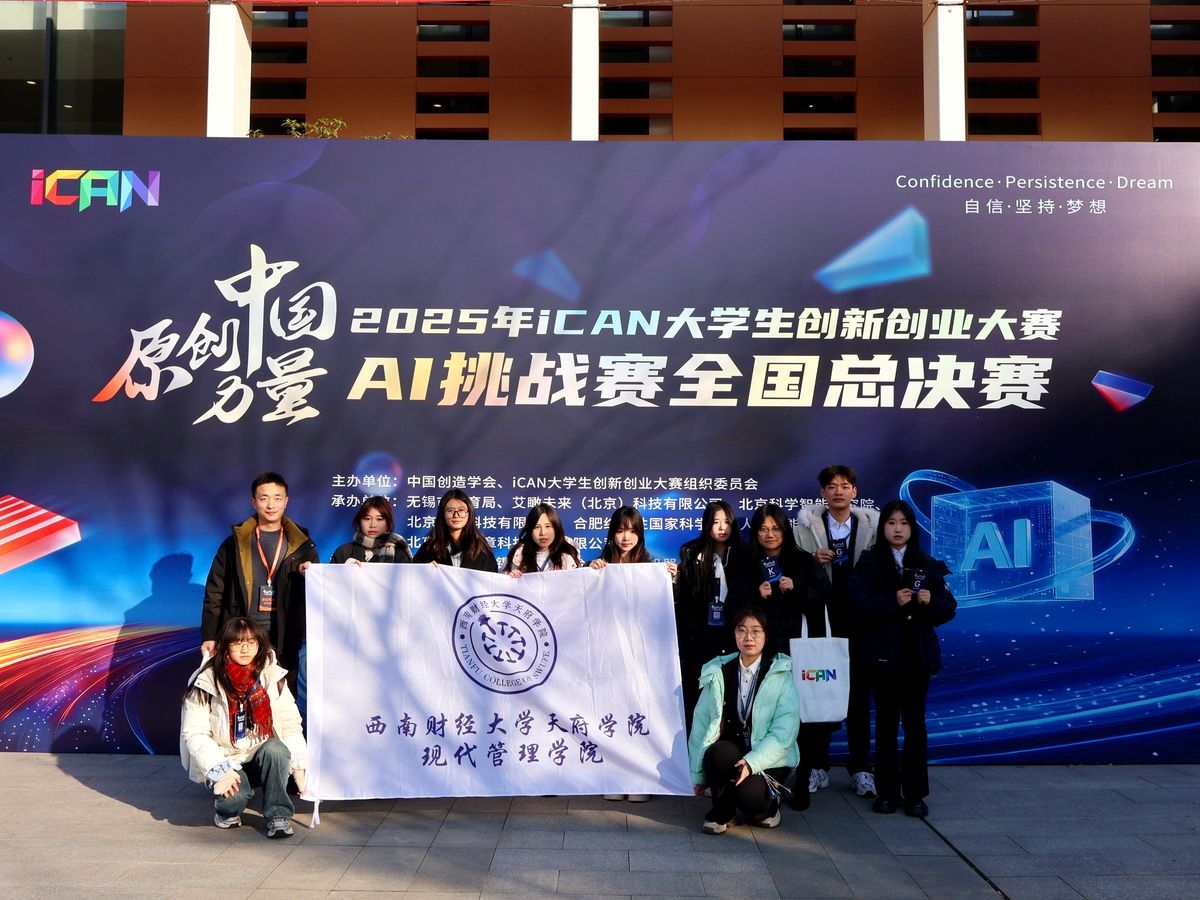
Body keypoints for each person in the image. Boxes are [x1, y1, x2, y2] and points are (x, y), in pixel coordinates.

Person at [849, 499, 956, 818]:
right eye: (892, 522)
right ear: (883, 527)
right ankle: (887, 792)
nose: (898, 529)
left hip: (916, 658)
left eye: (904, 523)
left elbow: (948, 609)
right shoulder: (870, 562)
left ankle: (915, 794)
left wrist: (930, 601)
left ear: (912, 528)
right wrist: (890, 600)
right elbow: (856, 604)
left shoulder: (927, 563)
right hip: (883, 657)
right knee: (885, 725)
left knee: (915, 726)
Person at [793, 465, 879, 799]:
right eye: (831, 486)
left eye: (845, 486)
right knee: (820, 690)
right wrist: (812, 561)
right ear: (822, 493)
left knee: (858, 694)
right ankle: (817, 766)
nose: (838, 491)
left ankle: (860, 768)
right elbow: (792, 567)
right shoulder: (804, 529)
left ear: (854, 491)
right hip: (822, 620)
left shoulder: (871, 527)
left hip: (861, 622)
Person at [181, 617, 308, 839]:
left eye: (251, 642)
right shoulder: (205, 681)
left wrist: (300, 768)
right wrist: (220, 769)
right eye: (237, 643)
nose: (245, 648)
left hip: (260, 754)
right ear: (225, 646)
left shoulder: (272, 675)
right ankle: (227, 810)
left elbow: (290, 725)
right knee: (233, 801)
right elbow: (195, 734)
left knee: (276, 749)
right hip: (227, 759)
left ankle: (278, 814)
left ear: (260, 644)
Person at [743, 502, 832, 811]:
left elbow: (825, 597)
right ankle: (768, 780)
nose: (769, 534)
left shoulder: (803, 561)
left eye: (775, 528)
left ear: (785, 530)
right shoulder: (747, 563)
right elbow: (735, 607)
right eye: (763, 529)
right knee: (764, 719)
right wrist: (756, 595)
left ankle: (804, 778)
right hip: (762, 655)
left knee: (802, 719)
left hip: (799, 652)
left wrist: (797, 589)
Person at [589, 506, 677, 803]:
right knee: (611, 712)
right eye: (620, 530)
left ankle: (640, 778)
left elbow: (664, 610)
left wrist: (670, 580)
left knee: (640, 711)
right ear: (611, 533)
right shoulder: (598, 565)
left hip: (642, 655)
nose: (625, 537)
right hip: (608, 654)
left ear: (640, 534)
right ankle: (614, 776)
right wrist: (590, 573)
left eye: (632, 531)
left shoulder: (650, 567)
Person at [200, 472, 318, 689]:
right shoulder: (234, 544)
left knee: (283, 698)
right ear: (253, 502)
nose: (271, 505)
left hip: (285, 636)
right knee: (238, 697)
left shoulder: (303, 547)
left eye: (277, 498)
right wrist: (209, 635)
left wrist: (309, 577)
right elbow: (215, 591)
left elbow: (317, 595)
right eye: (264, 498)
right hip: (241, 636)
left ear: (286, 501)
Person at [688, 607, 800, 834]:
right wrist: (697, 775)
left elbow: (784, 734)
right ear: (734, 634)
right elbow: (701, 724)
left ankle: (769, 809)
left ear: (766, 635)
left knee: (750, 798)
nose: (749, 637)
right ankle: (723, 812)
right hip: (733, 751)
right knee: (717, 753)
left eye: (756, 631)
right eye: (742, 630)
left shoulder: (780, 674)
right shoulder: (719, 671)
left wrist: (750, 764)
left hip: (767, 760)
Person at [674, 500, 750, 730]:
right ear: (707, 524)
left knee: (733, 693)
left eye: (727, 522)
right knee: (701, 695)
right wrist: (694, 631)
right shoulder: (691, 552)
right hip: (702, 636)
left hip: (735, 634)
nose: (722, 527)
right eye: (716, 522)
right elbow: (685, 598)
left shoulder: (744, 554)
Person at [413, 488, 498, 572]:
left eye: (461, 510)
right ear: (442, 514)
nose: (456, 515)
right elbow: (414, 575)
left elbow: (491, 578)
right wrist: (424, 570)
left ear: (469, 513)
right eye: (450, 510)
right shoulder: (428, 549)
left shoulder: (481, 550)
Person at [330, 495, 412, 565]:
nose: (373, 525)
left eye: (379, 519)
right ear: (360, 521)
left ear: (388, 523)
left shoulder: (399, 555)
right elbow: (329, 578)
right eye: (367, 518)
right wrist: (344, 570)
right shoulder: (343, 552)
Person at [504, 502, 580, 576]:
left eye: (548, 526)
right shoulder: (519, 553)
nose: (543, 533)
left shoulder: (567, 553)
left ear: (556, 528)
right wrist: (512, 577)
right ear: (530, 530)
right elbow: (502, 580)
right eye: (536, 527)